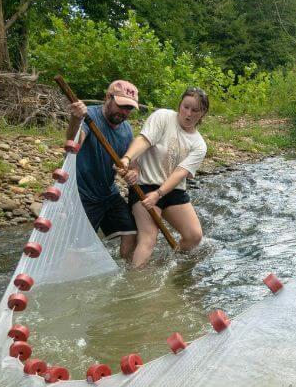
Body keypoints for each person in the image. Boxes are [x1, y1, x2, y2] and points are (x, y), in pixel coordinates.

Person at [119, 88, 209, 268]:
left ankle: (168, 263)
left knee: (194, 236)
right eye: (185, 107)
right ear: (180, 105)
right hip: (144, 185)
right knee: (149, 237)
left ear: (202, 114)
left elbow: (179, 173)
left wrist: (159, 194)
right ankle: (135, 281)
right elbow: (144, 140)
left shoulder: (199, 144)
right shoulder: (162, 117)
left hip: (171, 189)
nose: (188, 114)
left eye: (195, 110)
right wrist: (127, 159)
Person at [66, 79, 140, 261]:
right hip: (82, 196)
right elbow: (73, 145)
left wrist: (133, 172)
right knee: (77, 249)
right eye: (121, 106)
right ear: (107, 97)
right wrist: (76, 119)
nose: (124, 112)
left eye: (129, 109)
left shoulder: (127, 129)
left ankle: (125, 275)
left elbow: (132, 163)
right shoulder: (88, 118)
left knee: (131, 232)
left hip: (108, 193)